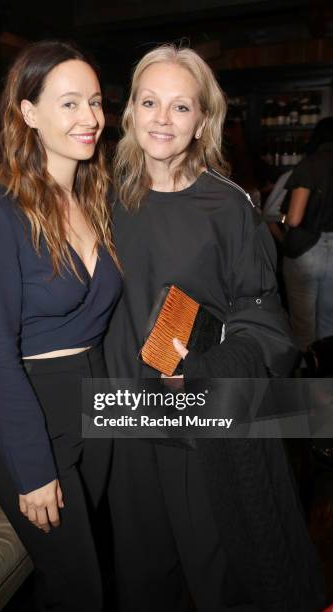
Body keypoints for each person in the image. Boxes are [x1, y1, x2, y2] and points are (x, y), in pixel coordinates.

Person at [104, 44, 325, 612]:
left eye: (181, 107)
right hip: (118, 418)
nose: (161, 118)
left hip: (195, 420)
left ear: (203, 119)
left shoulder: (228, 208)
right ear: (129, 111)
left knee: (215, 578)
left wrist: (203, 372)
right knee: (142, 577)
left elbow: (266, 324)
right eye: (149, 101)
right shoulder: (97, 196)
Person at [0, 40, 121, 611]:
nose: (90, 119)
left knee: (70, 581)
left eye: (96, 102)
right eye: (70, 103)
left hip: (97, 407)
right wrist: (32, 469)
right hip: (34, 421)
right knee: (83, 590)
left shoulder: (97, 201)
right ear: (28, 113)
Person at [282, 117, 333, 351]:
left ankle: (305, 383)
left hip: (307, 250)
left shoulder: (310, 165)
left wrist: (280, 219)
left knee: (303, 325)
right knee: (329, 324)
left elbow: (294, 218)